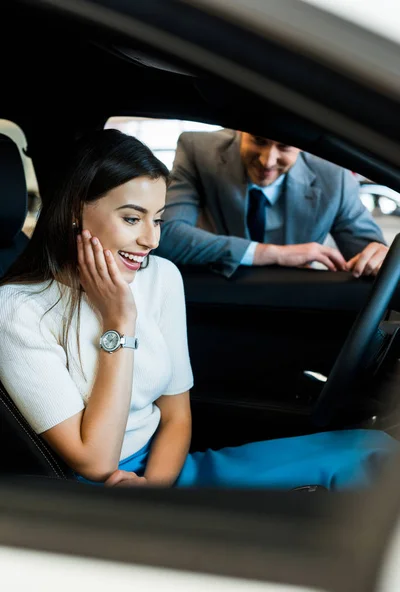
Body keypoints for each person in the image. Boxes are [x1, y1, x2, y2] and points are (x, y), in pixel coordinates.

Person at [0, 129, 396, 490]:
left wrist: (158, 487)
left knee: (370, 449)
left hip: (165, 470)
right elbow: (97, 461)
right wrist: (119, 322)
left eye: (157, 220)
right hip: (96, 488)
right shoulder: (17, 311)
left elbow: (176, 415)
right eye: (132, 218)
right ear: (74, 210)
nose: (150, 240)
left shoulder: (162, 276)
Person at [155, 130, 388, 278]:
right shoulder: (198, 150)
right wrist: (276, 254)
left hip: (295, 306)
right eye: (259, 140)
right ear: (239, 129)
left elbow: (370, 255)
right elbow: (165, 235)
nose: (268, 161)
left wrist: (378, 255)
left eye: (284, 146)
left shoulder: (335, 178)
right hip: (218, 294)